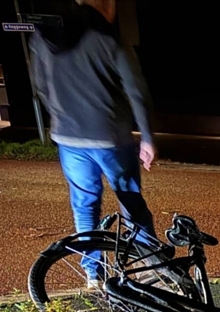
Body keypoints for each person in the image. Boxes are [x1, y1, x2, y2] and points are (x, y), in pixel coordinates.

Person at [29, 0, 168, 288]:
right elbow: (136, 90)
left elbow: (40, 85)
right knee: (131, 202)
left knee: (85, 207)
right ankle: (150, 268)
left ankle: (93, 273)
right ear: (106, 5)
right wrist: (147, 137)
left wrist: (61, 116)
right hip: (111, 138)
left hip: (69, 139)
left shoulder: (45, 36)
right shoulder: (110, 39)